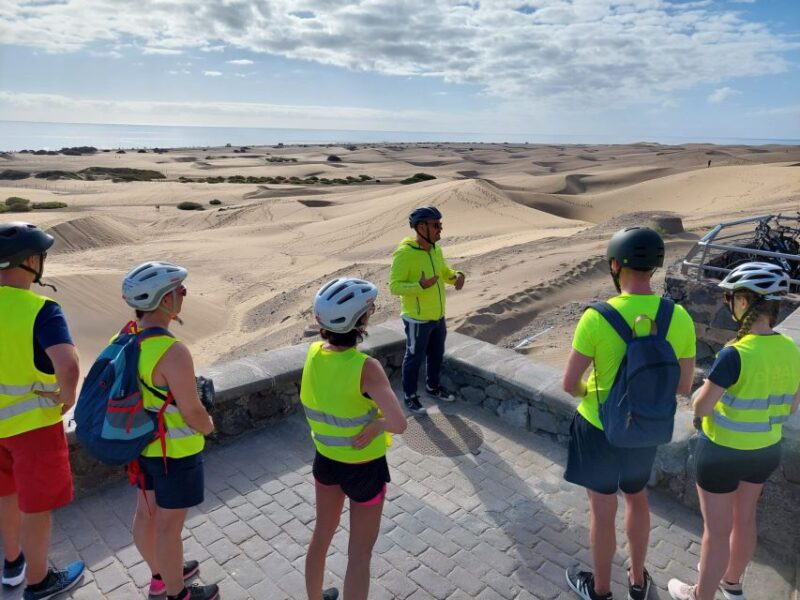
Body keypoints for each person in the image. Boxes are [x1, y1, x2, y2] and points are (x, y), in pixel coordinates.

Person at [561, 226, 696, 600]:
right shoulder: (678, 317)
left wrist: (589, 391)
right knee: (636, 498)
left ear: (615, 264)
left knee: (601, 511)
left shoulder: (596, 317)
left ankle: (601, 591)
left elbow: (570, 383)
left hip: (598, 426)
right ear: (654, 266)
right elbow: (684, 387)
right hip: (646, 428)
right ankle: (638, 582)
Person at [667, 262, 800, 600]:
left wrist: (699, 393)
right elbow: (791, 406)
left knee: (716, 531)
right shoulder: (792, 351)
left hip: (723, 453)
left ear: (743, 302)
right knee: (745, 520)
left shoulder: (735, 354)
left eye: (731, 298)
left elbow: (701, 406)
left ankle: (701, 594)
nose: (729, 304)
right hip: (765, 451)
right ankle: (732, 584)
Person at [302, 278, 407, 600]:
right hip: (364, 469)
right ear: (359, 322)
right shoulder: (367, 367)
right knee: (359, 555)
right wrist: (376, 426)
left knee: (321, 537)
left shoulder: (314, 352)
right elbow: (399, 423)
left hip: (326, 463)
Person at [121, 261, 218, 600]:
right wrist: (208, 426)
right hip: (174, 454)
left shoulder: (126, 338)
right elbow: (192, 410)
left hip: (141, 447)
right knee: (168, 526)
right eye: (180, 291)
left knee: (145, 514)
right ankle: (178, 593)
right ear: (164, 300)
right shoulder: (172, 352)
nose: (183, 296)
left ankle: (160, 575)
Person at [0, 222, 86, 600]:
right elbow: (67, 365)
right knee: (36, 508)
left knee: (6, 494)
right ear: (31, 261)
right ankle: (38, 583)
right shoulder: (42, 310)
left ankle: (12, 564)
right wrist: (67, 398)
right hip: (34, 428)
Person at [389, 206, 465, 415]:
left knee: (436, 354)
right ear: (421, 227)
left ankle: (432, 387)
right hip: (417, 319)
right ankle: (410, 396)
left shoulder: (435, 250)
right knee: (413, 357)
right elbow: (394, 286)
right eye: (436, 225)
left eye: (440, 224)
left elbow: (443, 272)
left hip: (438, 316)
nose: (440, 229)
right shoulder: (404, 254)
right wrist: (419, 286)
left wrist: (457, 275)